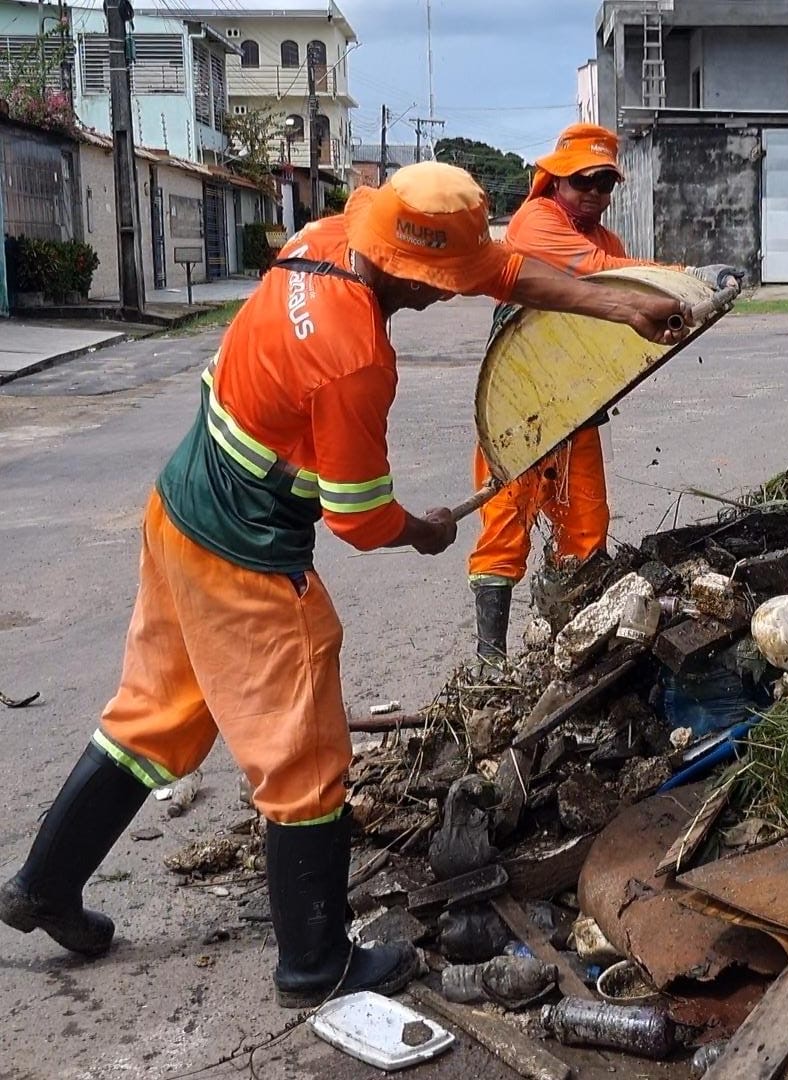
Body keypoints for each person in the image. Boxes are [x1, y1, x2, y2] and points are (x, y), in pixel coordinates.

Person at [0, 161, 689, 1008]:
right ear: (404, 267)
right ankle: (314, 965)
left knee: (155, 715)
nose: (448, 297)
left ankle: (42, 886)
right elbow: (358, 517)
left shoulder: (330, 239)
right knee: (304, 757)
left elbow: (499, 269)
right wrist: (427, 530)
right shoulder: (352, 353)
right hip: (243, 555)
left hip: (178, 508)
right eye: (437, 286)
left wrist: (623, 303)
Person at [467, 123, 742, 666]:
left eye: (604, 184)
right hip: (520, 406)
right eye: (582, 181)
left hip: (577, 406)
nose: (594, 193)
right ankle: (490, 667)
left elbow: (626, 304)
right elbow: (602, 275)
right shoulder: (536, 223)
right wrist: (689, 272)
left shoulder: (606, 240)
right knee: (504, 527)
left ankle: (569, 651)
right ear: (555, 182)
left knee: (586, 529)